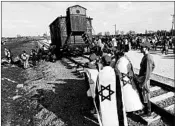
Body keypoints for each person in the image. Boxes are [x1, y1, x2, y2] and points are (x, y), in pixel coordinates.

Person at [95, 55, 128, 126]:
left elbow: (97, 89)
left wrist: (97, 102)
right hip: (115, 98)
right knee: (117, 112)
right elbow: (119, 88)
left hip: (104, 98)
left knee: (106, 112)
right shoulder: (114, 73)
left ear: (102, 63)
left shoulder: (100, 74)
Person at [137, 42, 155, 117]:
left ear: (146, 48)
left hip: (145, 79)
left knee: (146, 94)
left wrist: (144, 81)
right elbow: (153, 66)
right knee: (144, 94)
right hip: (143, 77)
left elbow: (148, 71)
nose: (141, 48)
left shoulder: (148, 58)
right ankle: (146, 110)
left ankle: (148, 112)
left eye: (142, 47)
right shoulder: (145, 56)